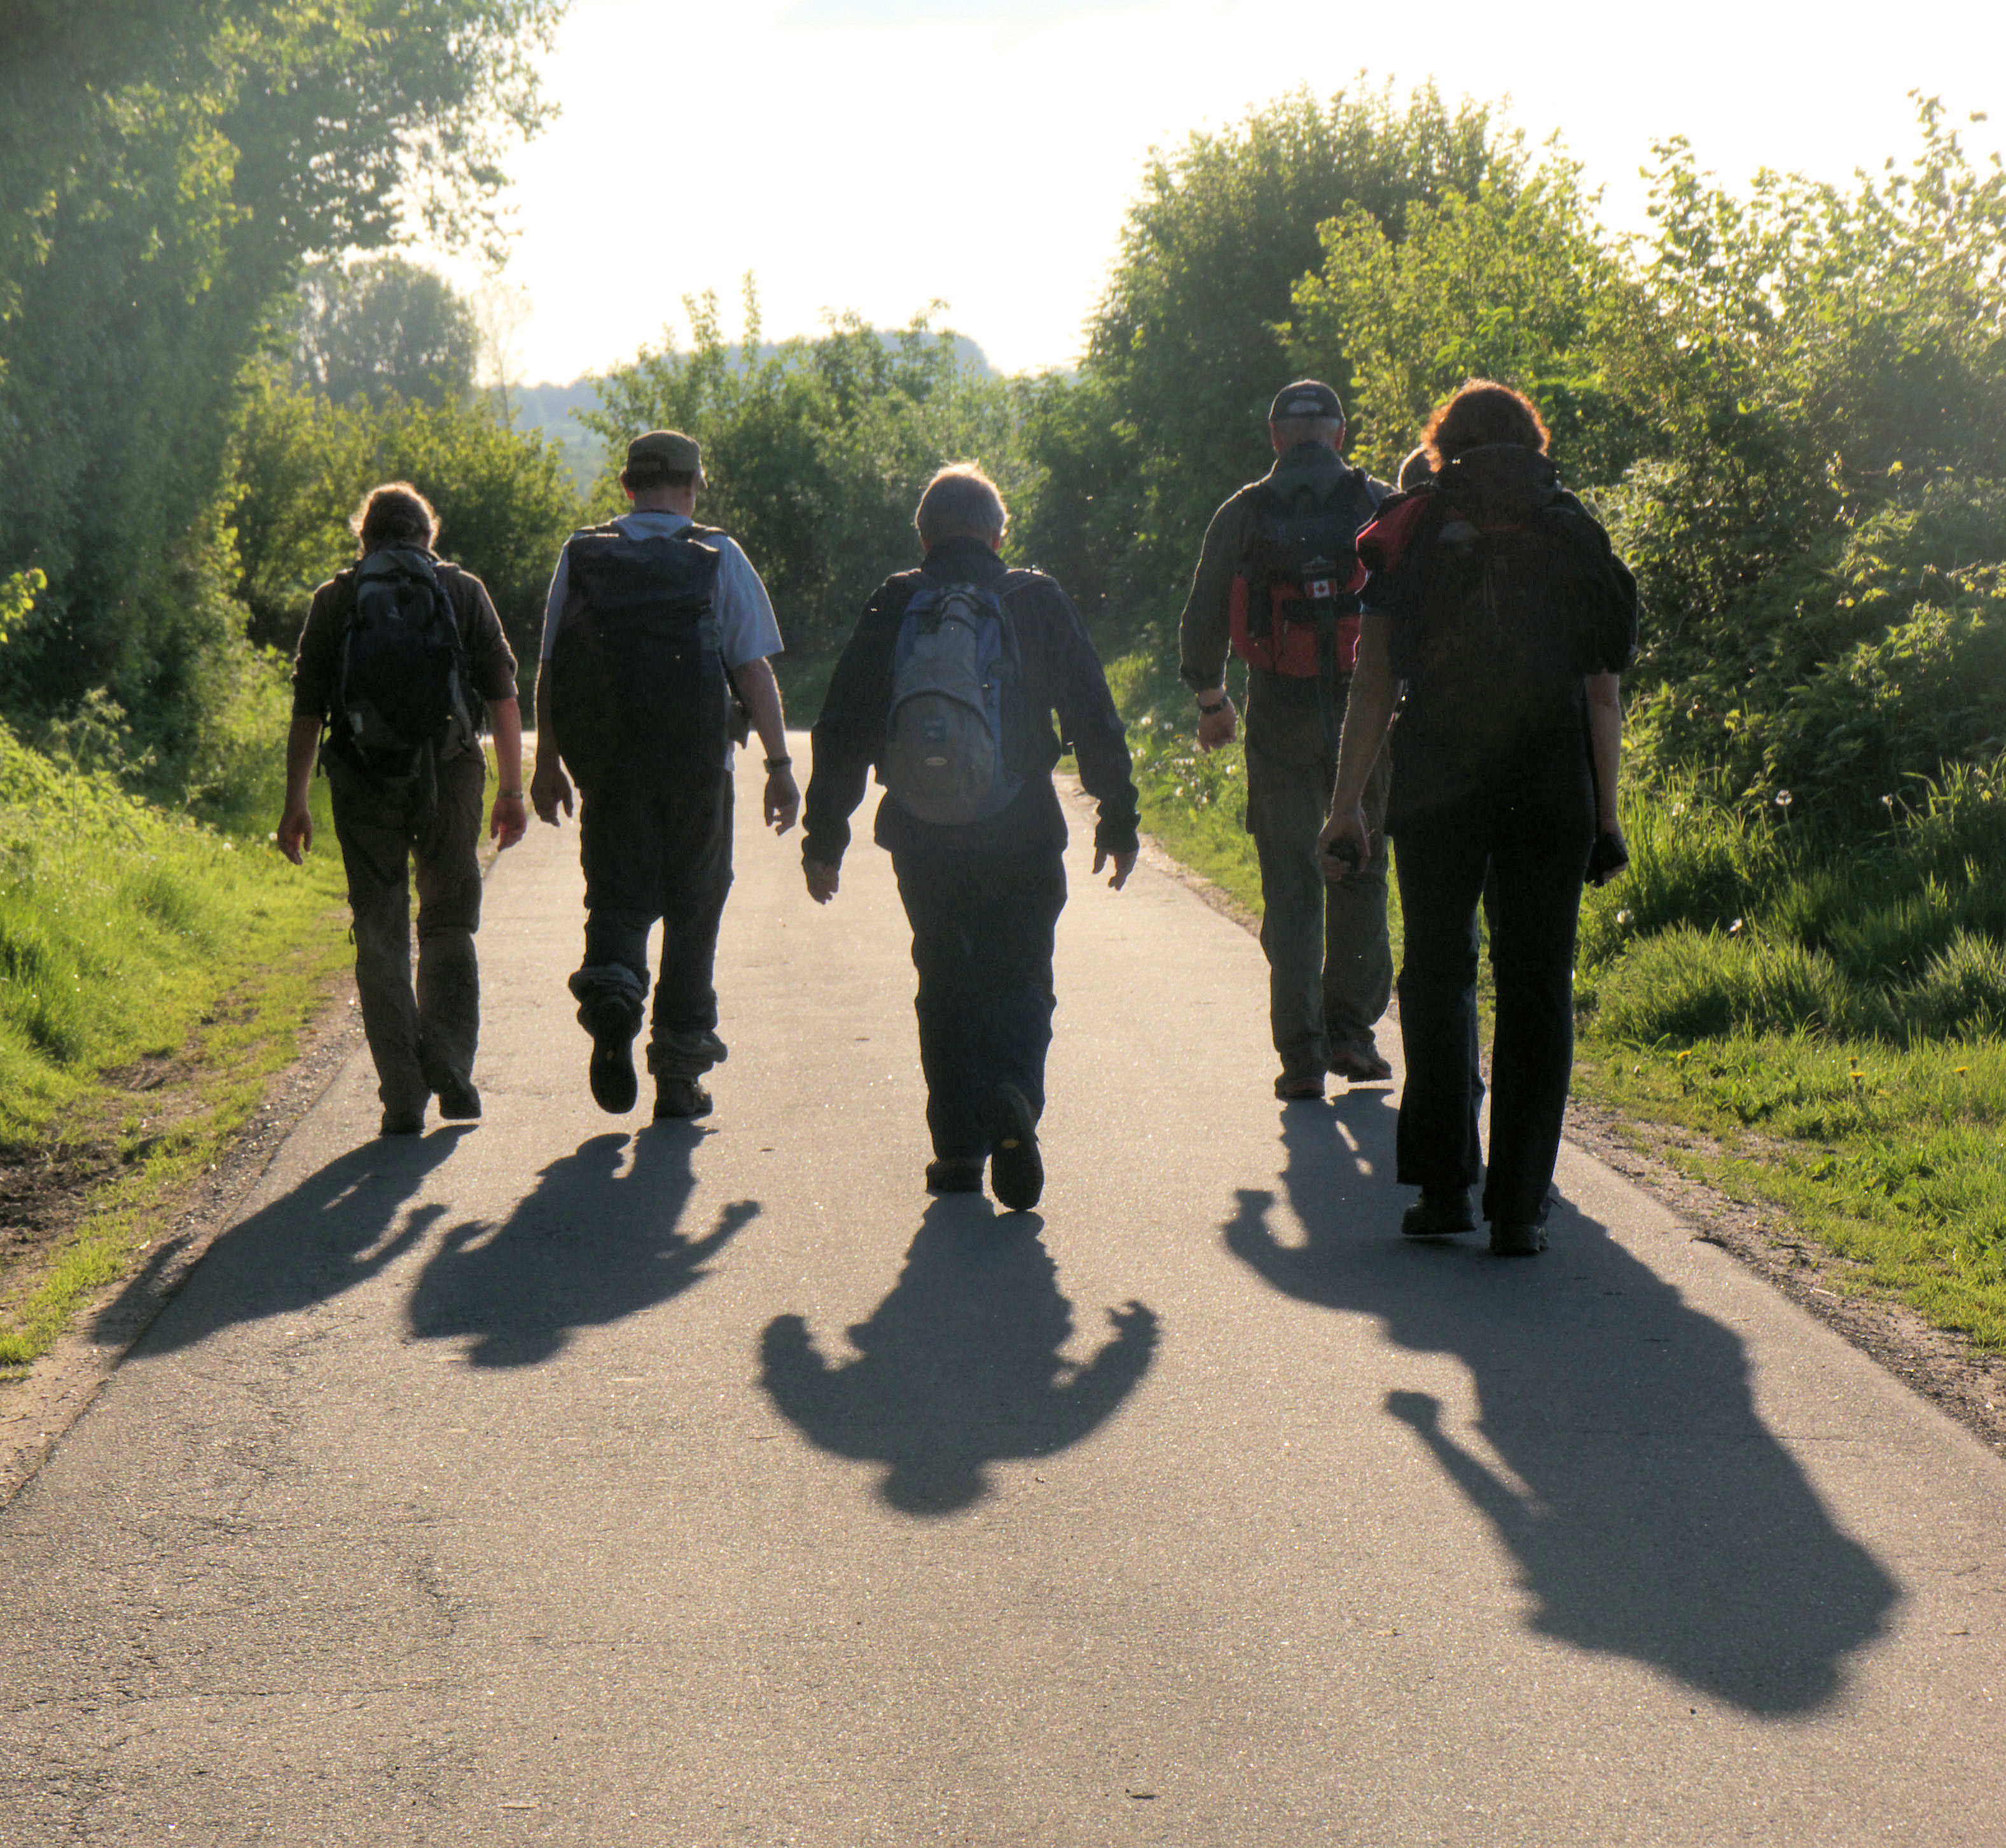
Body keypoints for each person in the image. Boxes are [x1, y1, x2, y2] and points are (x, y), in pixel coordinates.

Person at [1319, 380, 1637, 1255]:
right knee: (1536, 982)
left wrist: (1346, 805)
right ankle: (1520, 1207)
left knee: (1437, 971)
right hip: (1549, 775)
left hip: (1438, 776)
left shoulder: (1415, 527)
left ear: (1441, 447)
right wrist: (1606, 816)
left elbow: (1373, 683)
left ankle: (1442, 1189)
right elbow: (1601, 694)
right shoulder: (1571, 530)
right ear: (1533, 444)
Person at [801, 464, 1140, 1211]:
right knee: (1020, 972)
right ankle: (1013, 1090)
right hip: (1022, 826)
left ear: (923, 537)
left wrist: (824, 835)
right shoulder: (1033, 598)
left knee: (944, 975)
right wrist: (1117, 815)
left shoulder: (896, 600)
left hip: (923, 833)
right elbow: (1092, 711)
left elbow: (843, 724)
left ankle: (956, 1149)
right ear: (998, 533)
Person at [529, 430, 798, 1121]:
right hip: (698, 768)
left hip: (609, 767)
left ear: (626, 486)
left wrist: (547, 763)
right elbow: (753, 670)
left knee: (617, 896)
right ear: (693, 485)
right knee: (695, 906)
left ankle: (614, 994)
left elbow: (552, 668)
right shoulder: (718, 554)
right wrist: (779, 766)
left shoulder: (583, 554)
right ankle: (678, 1075)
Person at [278, 482, 526, 1137]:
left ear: (363, 539)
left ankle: (402, 1095)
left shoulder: (336, 599)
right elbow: (503, 697)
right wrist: (511, 789)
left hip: (364, 778)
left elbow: (308, 708)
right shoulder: (461, 590)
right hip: (450, 771)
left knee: (381, 929)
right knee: (447, 919)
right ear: (427, 536)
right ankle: (450, 1061)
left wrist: (295, 801)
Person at [1178, 380, 1395, 1100]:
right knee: (1361, 863)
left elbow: (1204, 614)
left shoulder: (1243, 511)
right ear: (1339, 434)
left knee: (1291, 876)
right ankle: (1352, 1031)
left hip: (1278, 707)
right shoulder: (1377, 501)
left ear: (1275, 436)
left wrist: (1212, 698)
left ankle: (1301, 1056)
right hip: (1366, 708)